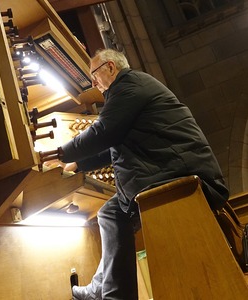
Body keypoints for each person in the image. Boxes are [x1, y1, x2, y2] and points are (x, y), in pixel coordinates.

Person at [49, 49, 229, 300]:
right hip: (167, 169)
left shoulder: (128, 87)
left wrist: (58, 154)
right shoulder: (132, 87)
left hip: (174, 173)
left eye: (94, 75)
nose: (93, 83)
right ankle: (102, 287)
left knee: (113, 214)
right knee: (111, 213)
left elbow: (103, 132)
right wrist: (77, 164)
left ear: (110, 67)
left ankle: (111, 293)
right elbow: (112, 143)